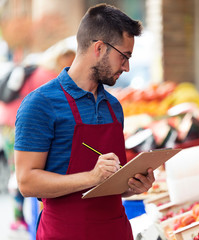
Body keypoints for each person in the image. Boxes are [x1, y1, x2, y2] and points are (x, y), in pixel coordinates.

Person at [14, 4, 155, 240]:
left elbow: (109, 182)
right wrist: (92, 177)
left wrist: (132, 186)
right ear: (99, 48)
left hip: (115, 231)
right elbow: (26, 181)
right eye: (124, 56)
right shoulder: (40, 104)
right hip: (65, 233)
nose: (127, 67)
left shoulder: (114, 107)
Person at [0, 46, 75, 234]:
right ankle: (18, 218)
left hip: (8, 121)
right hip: (16, 124)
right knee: (20, 172)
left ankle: (19, 218)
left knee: (15, 170)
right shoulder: (47, 75)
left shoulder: (37, 70)